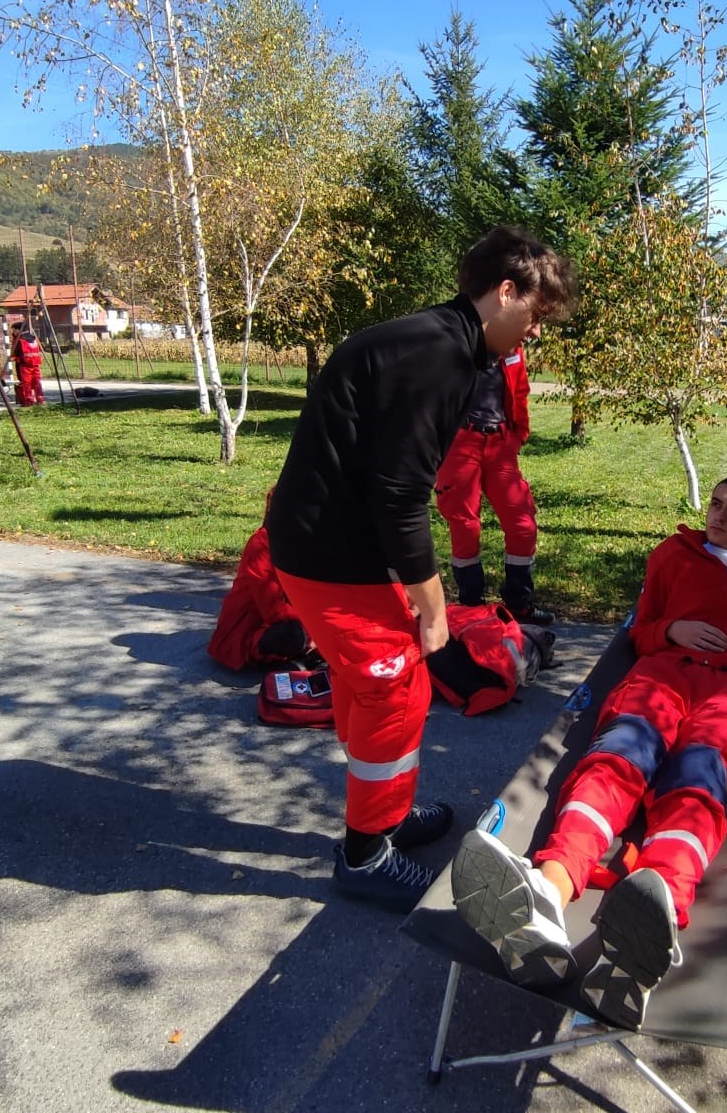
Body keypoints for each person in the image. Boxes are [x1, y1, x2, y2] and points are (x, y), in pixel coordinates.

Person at [267, 225, 576, 911]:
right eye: (536, 312)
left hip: (338, 546)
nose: (535, 329)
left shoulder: (438, 342)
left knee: (374, 683)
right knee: (396, 688)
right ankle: (365, 855)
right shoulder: (438, 355)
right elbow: (401, 493)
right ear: (505, 291)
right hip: (329, 553)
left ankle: (387, 813)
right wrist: (434, 605)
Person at [451, 476, 727, 1029]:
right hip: (662, 673)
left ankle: (651, 916)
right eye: (716, 504)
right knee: (616, 761)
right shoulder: (672, 555)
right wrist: (673, 630)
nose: (721, 516)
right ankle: (548, 891)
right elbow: (643, 628)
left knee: (697, 779)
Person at [434, 343, 552, 623]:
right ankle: (472, 607)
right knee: (465, 526)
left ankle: (519, 605)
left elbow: (519, 390)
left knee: (523, 524)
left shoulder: (511, 345)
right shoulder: (456, 341)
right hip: (461, 442)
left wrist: (518, 434)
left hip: (500, 443)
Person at [208, 488, 316, 673]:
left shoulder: (302, 543)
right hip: (249, 630)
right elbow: (273, 608)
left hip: (291, 621)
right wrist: (313, 632)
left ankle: (304, 648)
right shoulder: (261, 544)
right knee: (291, 634)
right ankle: (285, 652)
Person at [10, 324, 44, 407]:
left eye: (14, 330)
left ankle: (29, 401)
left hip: (25, 364)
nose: (13, 332)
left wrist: (13, 358)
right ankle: (40, 399)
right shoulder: (34, 338)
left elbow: (16, 353)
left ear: (18, 330)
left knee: (27, 383)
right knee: (37, 382)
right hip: (35, 364)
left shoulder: (19, 340)